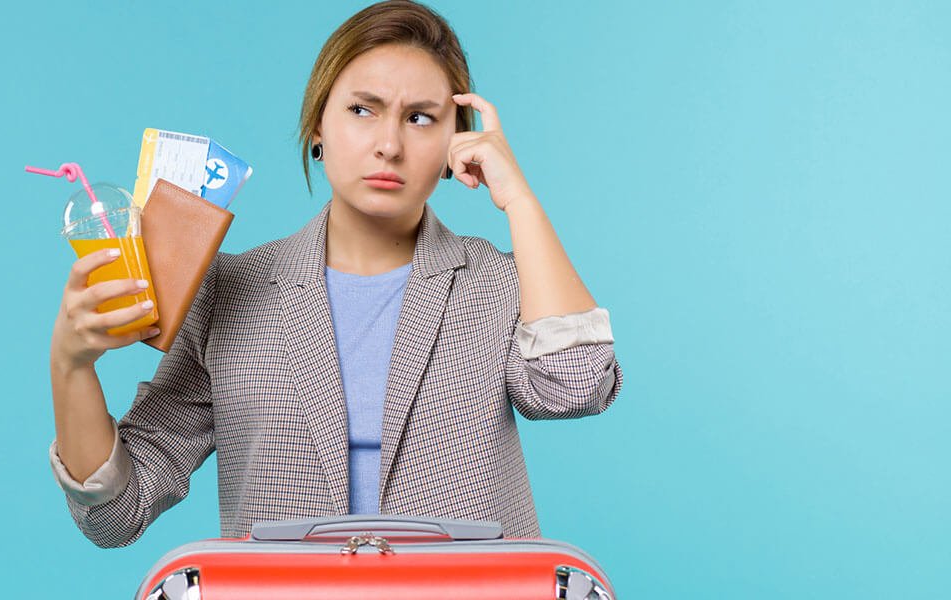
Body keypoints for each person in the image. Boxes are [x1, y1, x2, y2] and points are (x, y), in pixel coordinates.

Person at [47, 0, 623, 548]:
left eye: (421, 118)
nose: (389, 145)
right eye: (361, 110)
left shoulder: (496, 283)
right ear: (317, 126)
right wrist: (69, 365)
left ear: (457, 141)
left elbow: (574, 385)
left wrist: (519, 199)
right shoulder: (229, 292)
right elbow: (117, 514)